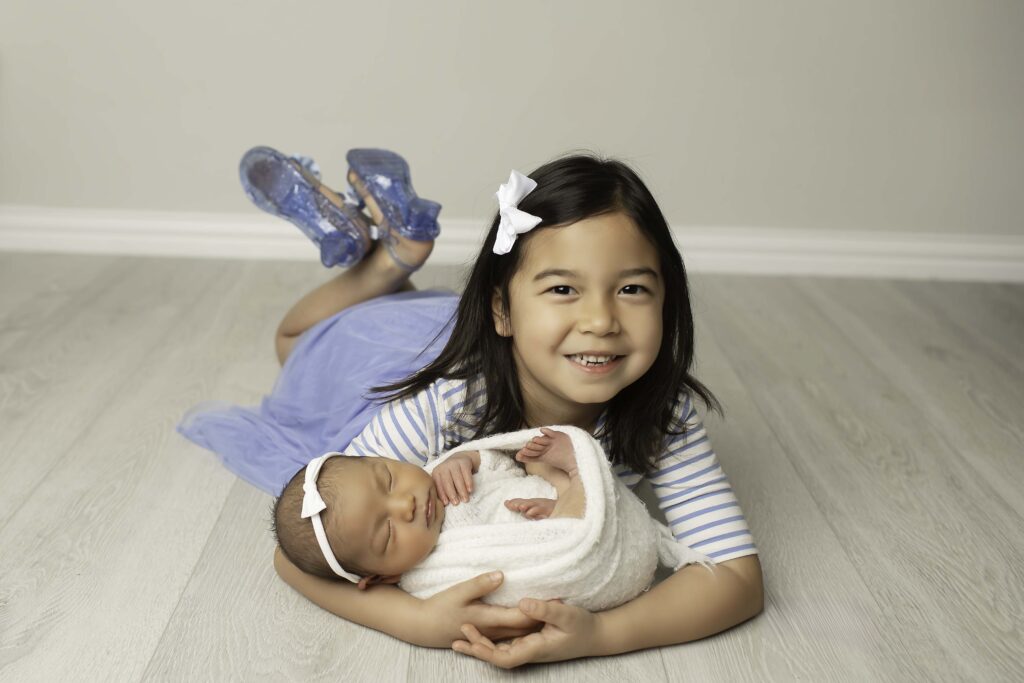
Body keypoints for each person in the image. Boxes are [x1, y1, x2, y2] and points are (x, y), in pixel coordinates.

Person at [178, 147, 763, 668]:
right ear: (502, 312)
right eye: (563, 289)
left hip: (499, 343)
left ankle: (392, 257)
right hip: (395, 371)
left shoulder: (664, 414)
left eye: (632, 289)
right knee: (299, 347)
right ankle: (388, 262)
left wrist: (603, 634)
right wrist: (417, 621)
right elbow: (292, 557)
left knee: (364, 334)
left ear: (669, 297)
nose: (601, 321)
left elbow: (737, 579)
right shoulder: (450, 403)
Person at [271, 427, 585, 592]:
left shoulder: (437, 472)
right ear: (385, 577)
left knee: (535, 456)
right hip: (560, 532)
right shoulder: (433, 575)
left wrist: (465, 459)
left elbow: (502, 464)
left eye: (390, 480)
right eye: (389, 531)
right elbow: (516, 576)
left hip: (550, 488)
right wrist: (551, 520)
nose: (405, 504)